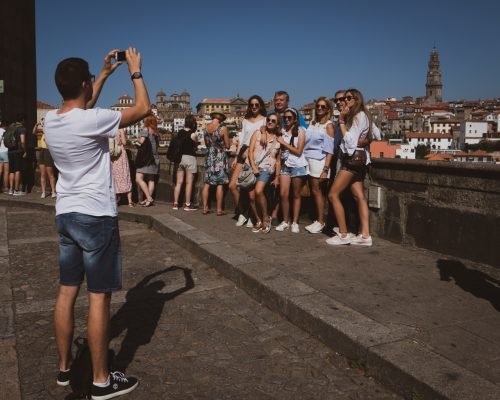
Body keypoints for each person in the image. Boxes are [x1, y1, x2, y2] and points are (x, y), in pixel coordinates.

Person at [44, 47, 150, 398]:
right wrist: (134, 71)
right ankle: (102, 380)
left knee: (66, 291)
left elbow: (82, 107)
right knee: (99, 299)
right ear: (85, 85)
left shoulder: (53, 121)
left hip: (65, 214)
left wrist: (103, 73)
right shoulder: (91, 120)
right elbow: (143, 110)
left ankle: (63, 368)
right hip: (96, 216)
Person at [327, 88, 374, 246]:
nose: (345, 101)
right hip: (361, 160)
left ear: (357, 99)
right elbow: (376, 134)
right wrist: (367, 139)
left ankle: (343, 234)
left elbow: (350, 142)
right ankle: (365, 235)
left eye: (348, 98)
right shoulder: (364, 116)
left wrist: (341, 121)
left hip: (352, 161)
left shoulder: (357, 116)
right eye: (344, 98)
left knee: (333, 194)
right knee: (359, 197)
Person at [228, 95, 266, 227]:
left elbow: (264, 139)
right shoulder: (245, 120)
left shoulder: (265, 121)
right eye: (252, 105)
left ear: (260, 106)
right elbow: (242, 137)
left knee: (251, 192)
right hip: (242, 154)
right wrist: (236, 156)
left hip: (255, 155)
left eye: (256, 104)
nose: (254, 107)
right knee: (232, 185)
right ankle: (243, 212)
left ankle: (252, 215)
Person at [303, 97, 335, 234]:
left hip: (319, 161)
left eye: (323, 107)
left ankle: (321, 221)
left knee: (318, 192)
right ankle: (317, 219)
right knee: (313, 191)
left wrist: (325, 169)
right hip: (308, 159)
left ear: (328, 109)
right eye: (318, 106)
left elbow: (330, 150)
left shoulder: (328, 126)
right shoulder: (313, 123)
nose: (320, 109)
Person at [247, 113, 281, 234]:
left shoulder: (278, 139)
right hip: (253, 167)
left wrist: (277, 177)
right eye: (269, 120)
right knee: (251, 197)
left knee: (258, 191)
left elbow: (278, 160)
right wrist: (254, 167)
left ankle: (266, 218)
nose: (270, 122)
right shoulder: (257, 133)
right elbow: (250, 151)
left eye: (273, 121)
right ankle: (258, 220)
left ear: (277, 124)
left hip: (266, 169)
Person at [275, 108, 307, 233]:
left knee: (296, 195)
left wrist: (284, 143)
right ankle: (285, 221)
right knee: (283, 194)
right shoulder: (282, 132)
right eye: (285, 118)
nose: (287, 120)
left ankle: (295, 222)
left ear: (295, 119)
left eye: (289, 118)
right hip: (285, 166)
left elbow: (299, 152)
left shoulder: (300, 131)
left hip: (298, 165)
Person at [201, 112, 230, 215]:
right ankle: (219, 209)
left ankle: (205, 208)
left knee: (207, 183)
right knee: (220, 183)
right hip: (219, 157)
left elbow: (206, 143)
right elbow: (227, 145)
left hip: (209, 156)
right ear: (221, 119)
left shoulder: (205, 128)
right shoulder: (223, 129)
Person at [172, 115, 199, 211]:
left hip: (179, 159)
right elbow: (196, 145)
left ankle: (175, 204)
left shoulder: (179, 133)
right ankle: (187, 205)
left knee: (178, 182)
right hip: (189, 158)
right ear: (193, 123)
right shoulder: (193, 134)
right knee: (189, 183)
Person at [135, 114, 160, 207]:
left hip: (146, 158)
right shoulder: (157, 132)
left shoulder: (146, 129)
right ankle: (148, 199)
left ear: (147, 121)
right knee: (151, 179)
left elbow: (141, 141)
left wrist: (136, 138)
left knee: (138, 178)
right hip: (155, 158)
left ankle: (149, 198)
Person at [35, 118, 57, 198]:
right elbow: (34, 132)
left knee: (50, 174)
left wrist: (43, 125)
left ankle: (53, 191)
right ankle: (43, 192)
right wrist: (36, 125)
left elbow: (49, 142)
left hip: (48, 152)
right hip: (42, 151)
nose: (43, 123)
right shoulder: (43, 132)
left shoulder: (51, 131)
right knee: (43, 174)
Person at [111, 128, 134, 207]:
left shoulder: (109, 129)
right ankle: (130, 202)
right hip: (120, 154)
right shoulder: (120, 129)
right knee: (125, 175)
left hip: (112, 155)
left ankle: (115, 200)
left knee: (114, 177)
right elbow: (124, 142)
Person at [7, 113, 27, 196]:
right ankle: (16, 190)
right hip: (18, 151)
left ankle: (11, 190)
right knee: (17, 170)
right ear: (22, 120)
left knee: (11, 171)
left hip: (10, 151)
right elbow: (22, 141)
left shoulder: (11, 127)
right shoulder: (22, 128)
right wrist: (25, 151)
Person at [0, 120, 9, 193]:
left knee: (0, 170)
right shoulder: (5, 132)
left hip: (0, 152)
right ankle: (5, 187)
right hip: (5, 152)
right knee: (6, 171)